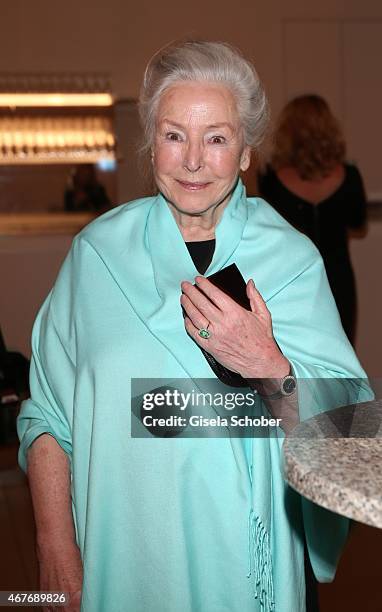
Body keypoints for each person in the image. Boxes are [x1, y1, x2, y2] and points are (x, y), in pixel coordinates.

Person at [17, 42, 371, 612]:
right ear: (151, 143)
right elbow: (47, 415)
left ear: (247, 152)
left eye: (217, 138)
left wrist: (272, 368)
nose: (192, 161)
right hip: (126, 553)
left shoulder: (291, 261)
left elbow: (350, 433)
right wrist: (54, 543)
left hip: (244, 564)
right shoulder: (97, 255)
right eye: (174, 134)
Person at [258, 95, 367, 344]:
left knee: (294, 354)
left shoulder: (271, 181)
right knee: (342, 354)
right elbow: (358, 222)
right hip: (339, 280)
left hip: (290, 281)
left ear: (287, 132)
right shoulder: (349, 176)